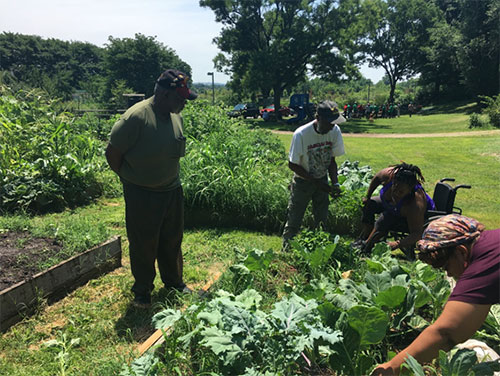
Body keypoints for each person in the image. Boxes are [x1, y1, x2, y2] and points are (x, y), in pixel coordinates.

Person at [105, 69, 197, 307]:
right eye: (180, 99)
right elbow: (113, 154)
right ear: (164, 94)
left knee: (172, 239)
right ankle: (142, 291)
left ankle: (174, 282)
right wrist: (132, 179)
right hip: (142, 193)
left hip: (171, 189)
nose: (184, 104)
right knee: (144, 244)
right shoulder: (136, 118)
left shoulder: (175, 115)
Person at [371, 214, 499, 375]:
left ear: (461, 251)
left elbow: (446, 333)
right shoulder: (493, 243)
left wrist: (392, 367)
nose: (450, 275)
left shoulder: (485, 264)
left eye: (446, 267)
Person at [282, 100, 346, 247]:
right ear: (318, 117)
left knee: (322, 219)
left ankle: (319, 249)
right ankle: (287, 253)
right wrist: (316, 182)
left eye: (334, 122)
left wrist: (334, 183)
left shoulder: (334, 131)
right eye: (329, 122)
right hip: (302, 182)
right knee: (294, 219)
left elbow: (332, 160)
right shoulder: (301, 134)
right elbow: (292, 164)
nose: (332, 126)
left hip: (322, 179)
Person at [352, 163, 435, 256]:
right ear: (393, 180)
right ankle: (364, 235)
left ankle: (367, 244)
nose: (396, 193)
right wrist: (368, 196)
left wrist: (397, 244)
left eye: (401, 191)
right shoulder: (389, 175)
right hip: (391, 206)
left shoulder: (415, 204)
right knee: (370, 204)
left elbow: (417, 233)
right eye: (394, 187)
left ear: (410, 190)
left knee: (384, 219)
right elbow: (377, 178)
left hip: (408, 216)